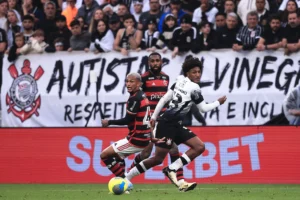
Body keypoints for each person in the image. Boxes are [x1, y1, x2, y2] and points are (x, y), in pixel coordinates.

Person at [125, 56, 227, 192]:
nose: (197, 75)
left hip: (174, 124)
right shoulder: (194, 88)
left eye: (199, 72)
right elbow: (203, 109)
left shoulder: (179, 80)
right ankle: (127, 177)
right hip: (166, 125)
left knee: (199, 146)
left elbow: (165, 98)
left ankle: (172, 169)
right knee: (157, 159)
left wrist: (154, 116)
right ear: (187, 73)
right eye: (194, 72)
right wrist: (218, 102)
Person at [130, 52, 195, 189]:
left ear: (161, 62)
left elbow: (165, 98)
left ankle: (181, 181)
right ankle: (127, 176)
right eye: (152, 61)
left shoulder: (166, 77)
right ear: (149, 63)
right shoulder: (144, 78)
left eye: (157, 61)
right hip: (150, 121)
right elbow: (139, 98)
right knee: (147, 153)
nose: (155, 63)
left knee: (174, 148)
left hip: (164, 120)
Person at [100, 72, 163, 187]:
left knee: (104, 155)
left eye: (132, 81)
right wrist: (151, 137)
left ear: (139, 84)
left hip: (136, 139)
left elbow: (127, 120)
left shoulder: (135, 99)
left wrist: (109, 122)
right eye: (127, 81)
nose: (128, 84)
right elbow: (147, 120)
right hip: (143, 138)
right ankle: (123, 184)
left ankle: (125, 182)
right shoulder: (143, 95)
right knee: (118, 156)